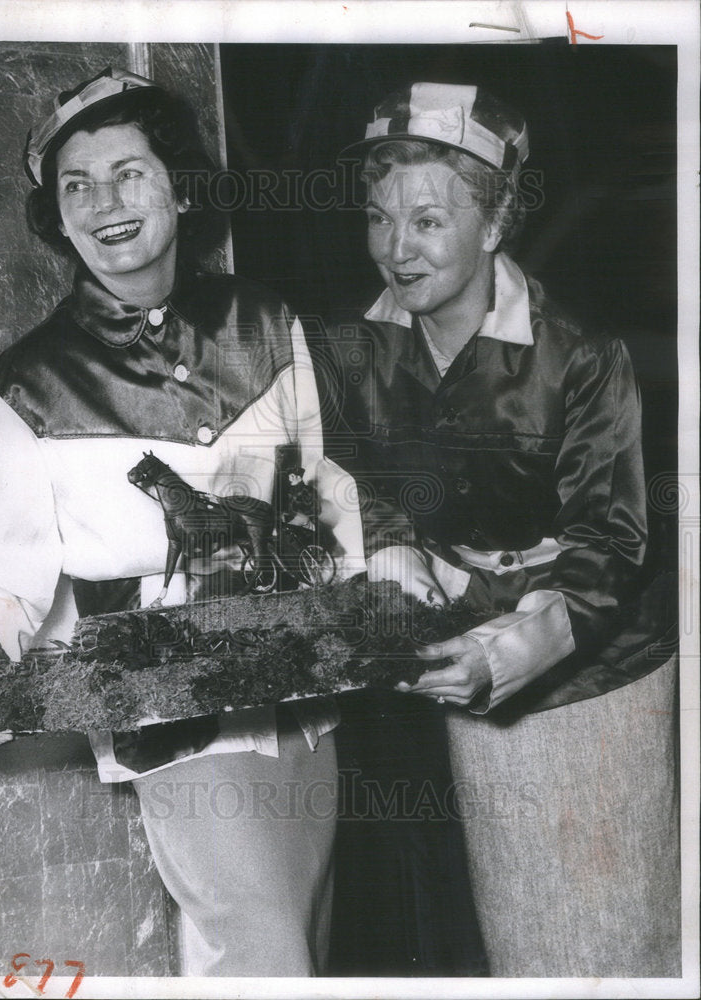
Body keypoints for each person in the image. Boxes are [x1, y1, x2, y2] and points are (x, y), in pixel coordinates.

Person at [0, 66, 362, 977]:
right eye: (76, 186)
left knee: (292, 949)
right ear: (59, 215)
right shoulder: (26, 384)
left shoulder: (269, 324)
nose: (104, 203)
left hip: (306, 698)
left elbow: (332, 493)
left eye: (129, 172)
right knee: (266, 952)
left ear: (179, 185)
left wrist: (384, 594)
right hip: (169, 709)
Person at [329, 82, 679, 976]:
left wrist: (510, 653)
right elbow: (347, 476)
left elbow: (612, 540)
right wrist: (394, 545)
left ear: (493, 228)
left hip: (595, 671)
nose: (395, 250)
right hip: (463, 668)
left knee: (616, 928)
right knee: (523, 929)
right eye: (379, 218)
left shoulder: (584, 355)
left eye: (428, 221)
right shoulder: (350, 353)